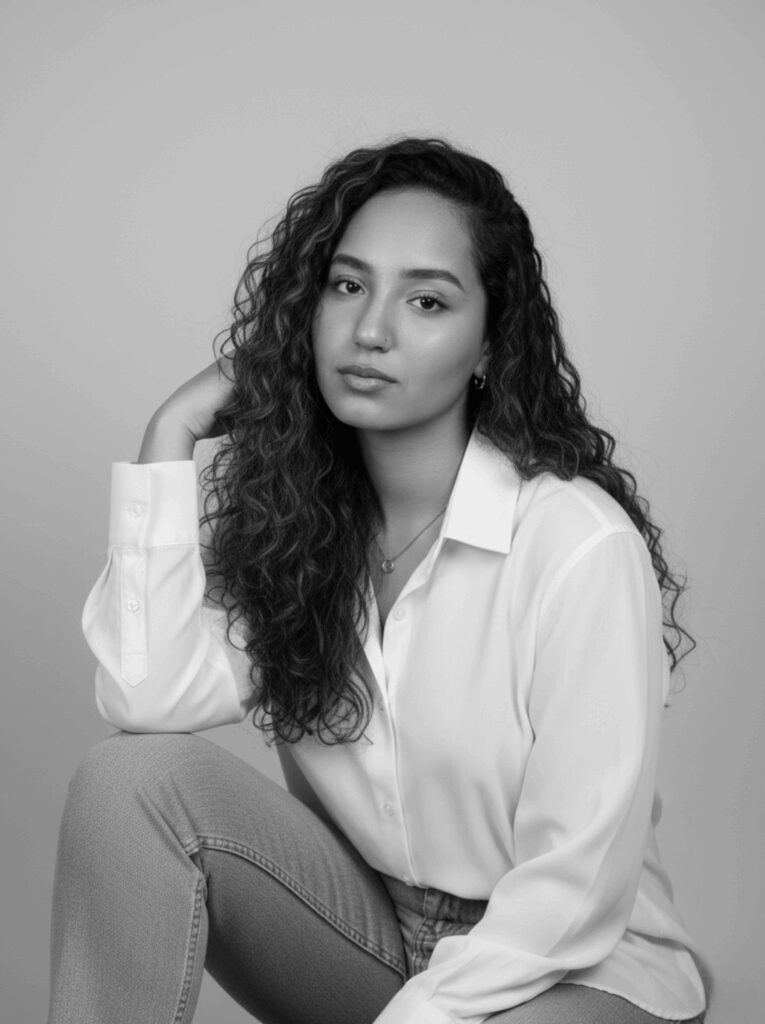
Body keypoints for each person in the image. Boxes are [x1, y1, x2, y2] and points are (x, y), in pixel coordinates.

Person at [48, 138, 708, 1024]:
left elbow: (574, 888)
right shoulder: (301, 533)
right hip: (374, 937)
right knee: (126, 782)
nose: (370, 331)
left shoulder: (576, 545)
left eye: (426, 300)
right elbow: (145, 693)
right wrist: (170, 432)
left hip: (570, 966)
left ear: (488, 344)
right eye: (347, 286)